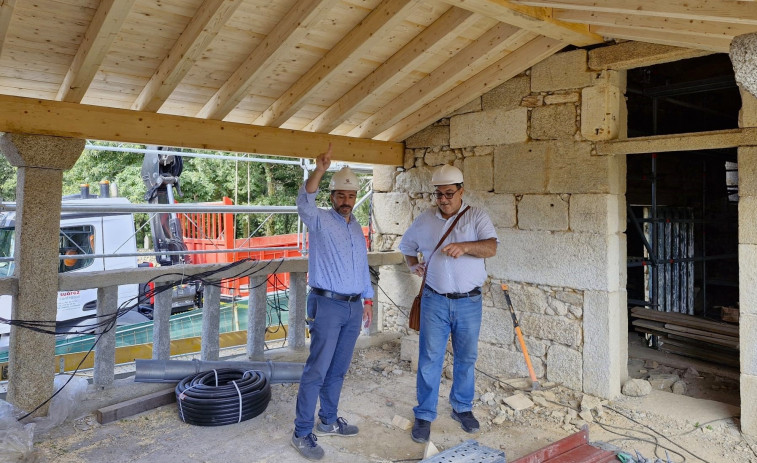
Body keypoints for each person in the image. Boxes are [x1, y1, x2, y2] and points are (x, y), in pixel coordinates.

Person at [399, 164, 498, 444]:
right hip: (434, 300)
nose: (443, 199)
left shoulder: (476, 216)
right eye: (439, 194)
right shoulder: (425, 219)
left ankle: (462, 408)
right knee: (430, 358)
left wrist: (465, 247)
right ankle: (425, 414)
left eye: (449, 194)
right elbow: (407, 247)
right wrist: (413, 266)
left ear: (461, 191)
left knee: (466, 357)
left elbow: (491, 247)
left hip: (468, 301)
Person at [291, 143, 374, 461]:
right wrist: (320, 169)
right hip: (327, 305)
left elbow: (362, 266)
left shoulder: (355, 227)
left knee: (338, 369)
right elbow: (304, 200)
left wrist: (367, 299)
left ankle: (327, 420)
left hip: (354, 306)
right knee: (317, 370)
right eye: (341, 195)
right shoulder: (319, 219)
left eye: (351, 196)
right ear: (332, 196)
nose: (347, 201)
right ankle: (301, 432)